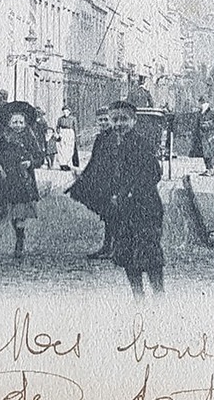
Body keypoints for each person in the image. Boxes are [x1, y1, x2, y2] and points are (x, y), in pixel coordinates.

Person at [102, 100, 165, 296]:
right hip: (122, 209)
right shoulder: (110, 144)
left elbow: (155, 173)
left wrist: (132, 189)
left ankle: (159, 295)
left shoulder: (141, 143)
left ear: (134, 120)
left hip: (145, 207)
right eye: (115, 120)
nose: (119, 124)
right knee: (126, 253)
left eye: (124, 119)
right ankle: (138, 296)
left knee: (149, 253)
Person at [0, 109, 41, 259]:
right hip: (7, 180)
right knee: (11, 213)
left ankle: (20, 239)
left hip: (24, 180)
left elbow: (39, 157)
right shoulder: (2, 137)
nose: (18, 125)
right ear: (9, 123)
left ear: (25, 124)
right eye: (15, 122)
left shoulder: (29, 137)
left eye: (21, 122)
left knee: (20, 213)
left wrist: (30, 162)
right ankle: (18, 234)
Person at [69, 108, 116, 258]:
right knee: (108, 215)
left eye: (106, 120)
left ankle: (112, 248)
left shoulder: (117, 137)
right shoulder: (100, 138)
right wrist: (84, 174)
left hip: (113, 181)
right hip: (101, 180)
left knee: (113, 215)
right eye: (100, 120)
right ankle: (108, 247)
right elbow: (94, 160)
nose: (103, 123)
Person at [191, 97, 214, 176]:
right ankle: (208, 168)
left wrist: (207, 125)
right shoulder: (200, 113)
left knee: (208, 154)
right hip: (201, 136)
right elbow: (197, 124)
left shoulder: (210, 113)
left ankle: (210, 169)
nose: (199, 105)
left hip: (208, 136)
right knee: (204, 154)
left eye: (200, 103)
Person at [53, 106, 78, 171]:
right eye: (64, 112)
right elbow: (57, 127)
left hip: (70, 133)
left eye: (67, 111)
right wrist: (58, 133)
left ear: (69, 112)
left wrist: (75, 136)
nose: (65, 113)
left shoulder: (73, 119)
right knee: (62, 148)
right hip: (63, 133)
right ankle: (62, 164)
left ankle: (67, 163)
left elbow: (75, 128)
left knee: (69, 148)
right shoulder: (60, 119)